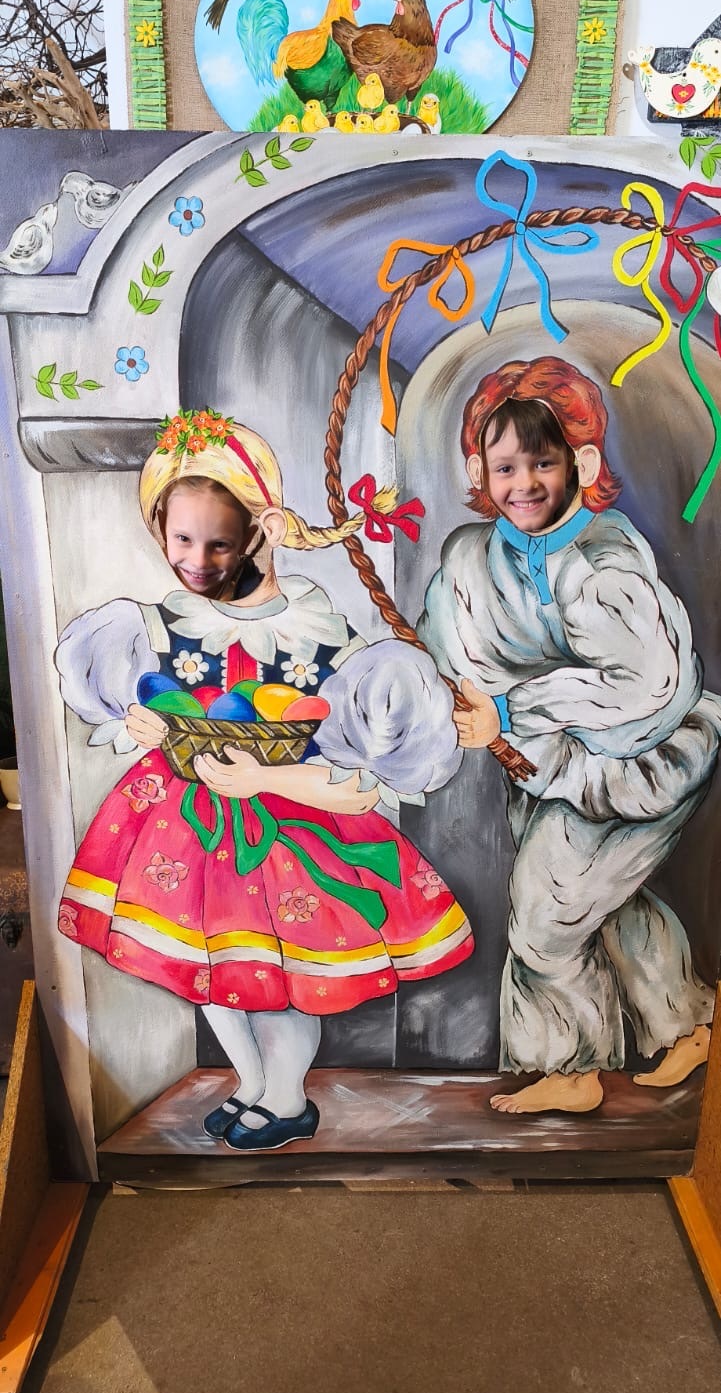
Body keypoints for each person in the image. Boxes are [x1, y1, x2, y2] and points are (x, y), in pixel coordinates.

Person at [56, 408, 473, 1150]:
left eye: (219, 542)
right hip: (184, 836)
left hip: (291, 833)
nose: (196, 561)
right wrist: (146, 726)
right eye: (180, 540)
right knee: (212, 971)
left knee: (279, 982)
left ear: (265, 531)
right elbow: (152, 710)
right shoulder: (155, 630)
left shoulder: (323, 640)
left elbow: (358, 787)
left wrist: (263, 783)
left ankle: (287, 1099)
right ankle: (249, 1083)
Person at [418, 356, 720, 1115]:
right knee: (603, 901)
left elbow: (644, 684)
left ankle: (571, 1066)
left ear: (581, 464)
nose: (523, 483)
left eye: (542, 463)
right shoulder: (470, 556)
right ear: (477, 471)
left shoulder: (604, 561)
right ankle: (685, 1022)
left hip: (640, 763)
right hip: (545, 767)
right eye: (504, 467)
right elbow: (441, 648)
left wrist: (509, 711)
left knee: (546, 917)